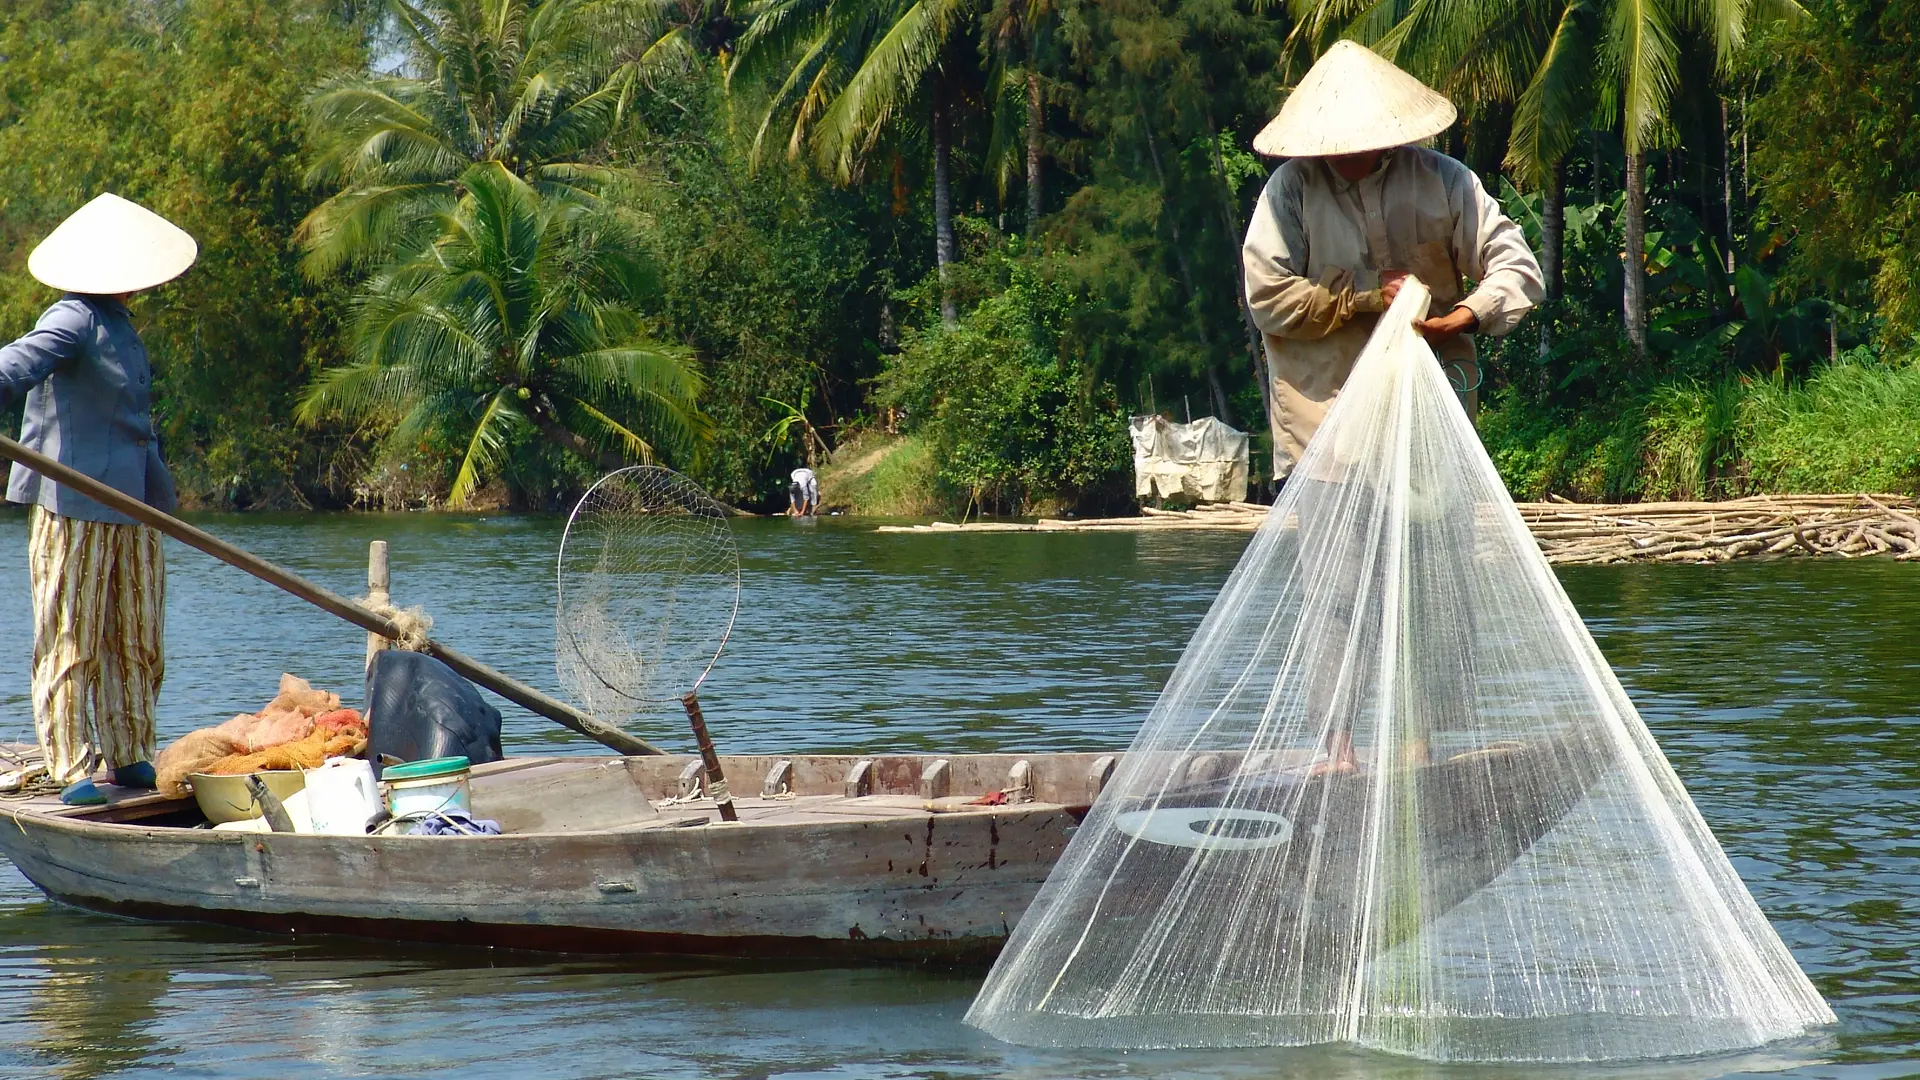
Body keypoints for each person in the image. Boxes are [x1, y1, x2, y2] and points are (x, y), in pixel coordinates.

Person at [1241, 43, 1544, 774]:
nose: (1349, 155)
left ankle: (1419, 747)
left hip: (1427, 422)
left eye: (1364, 142)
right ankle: (1339, 750)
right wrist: (1359, 300)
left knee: (1433, 594)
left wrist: (1462, 318)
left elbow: (1516, 266)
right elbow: (1267, 296)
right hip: (1329, 423)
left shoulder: (1444, 183)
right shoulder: (1291, 193)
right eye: (1336, 145)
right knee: (1337, 595)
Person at [0, 193, 197, 804]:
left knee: (134, 634)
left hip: (133, 505)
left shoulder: (122, 326)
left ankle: (130, 750)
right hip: (73, 504)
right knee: (71, 637)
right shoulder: (73, 318)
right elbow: (15, 364)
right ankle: (69, 766)